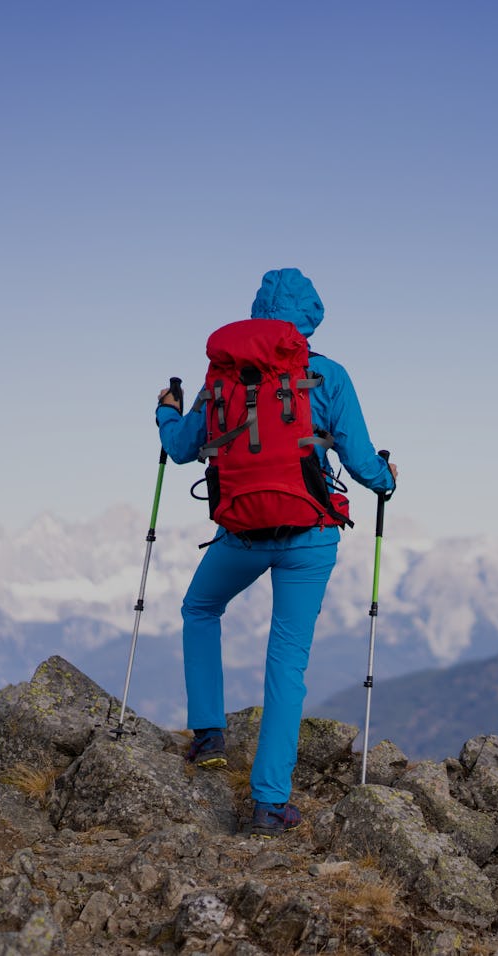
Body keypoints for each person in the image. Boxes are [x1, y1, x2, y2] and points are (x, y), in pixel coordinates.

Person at [156, 267, 397, 837]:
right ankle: (269, 805)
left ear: (257, 312)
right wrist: (389, 477)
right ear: (310, 319)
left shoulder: (222, 377)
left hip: (241, 531)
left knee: (199, 608)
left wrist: (166, 409)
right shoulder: (328, 376)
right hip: (310, 537)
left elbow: (183, 447)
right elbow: (364, 464)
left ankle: (209, 736)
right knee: (287, 660)